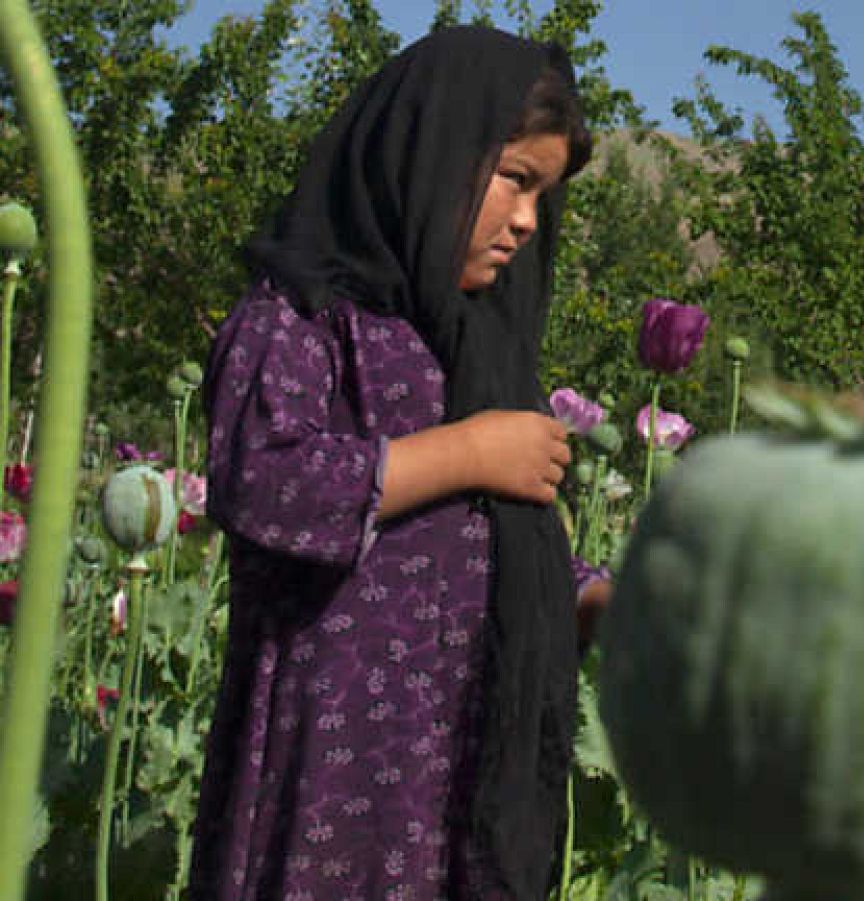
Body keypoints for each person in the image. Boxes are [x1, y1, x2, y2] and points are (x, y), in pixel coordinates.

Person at [188, 27, 610, 900]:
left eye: (545, 196)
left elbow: (488, 556)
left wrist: (598, 598)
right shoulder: (301, 317)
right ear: (428, 153)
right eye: (514, 180)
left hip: (455, 777)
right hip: (331, 783)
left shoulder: (474, 349)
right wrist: (468, 450)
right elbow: (263, 483)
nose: (529, 221)